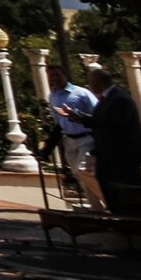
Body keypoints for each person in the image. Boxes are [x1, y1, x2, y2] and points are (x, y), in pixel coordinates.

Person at [86, 67, 141, 215]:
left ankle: (140, 217)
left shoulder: (119, 99)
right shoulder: (106, 100)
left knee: (129, 186)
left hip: (124, 153)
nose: (89, 85)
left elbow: (115, 126)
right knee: (107, 182)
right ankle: (120, 215)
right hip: (108, 154)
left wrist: (84, 120)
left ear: (97, 83)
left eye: (90, 82)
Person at [43, 64, 107, 207]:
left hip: (86, 138)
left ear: (65, 75)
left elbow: (97, 115)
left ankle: (109, 200)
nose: (55, 78)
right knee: (79, 176)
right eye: (51, 76)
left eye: (57, 75)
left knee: (83, 170)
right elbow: (59, 122)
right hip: (69, 141)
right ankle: (97, 208)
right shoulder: (52, 96)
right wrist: (48, 146)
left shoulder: (81, 93)